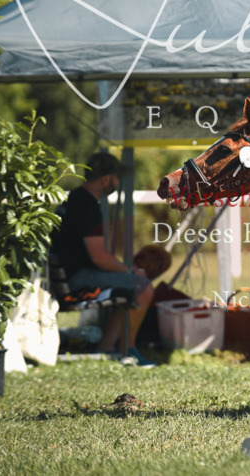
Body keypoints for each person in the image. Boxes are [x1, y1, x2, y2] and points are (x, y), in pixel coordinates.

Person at [50, 152, 156, 367]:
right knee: (142, 286)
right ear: (106, 179)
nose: (118, 183)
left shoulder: (75, 199)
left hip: (69, 277)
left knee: (130, 286)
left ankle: (107, 347)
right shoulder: (87, 206)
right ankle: (130, 350)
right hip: (78, 280)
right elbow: (99, 257)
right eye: (117, 178)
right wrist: (130, 271)